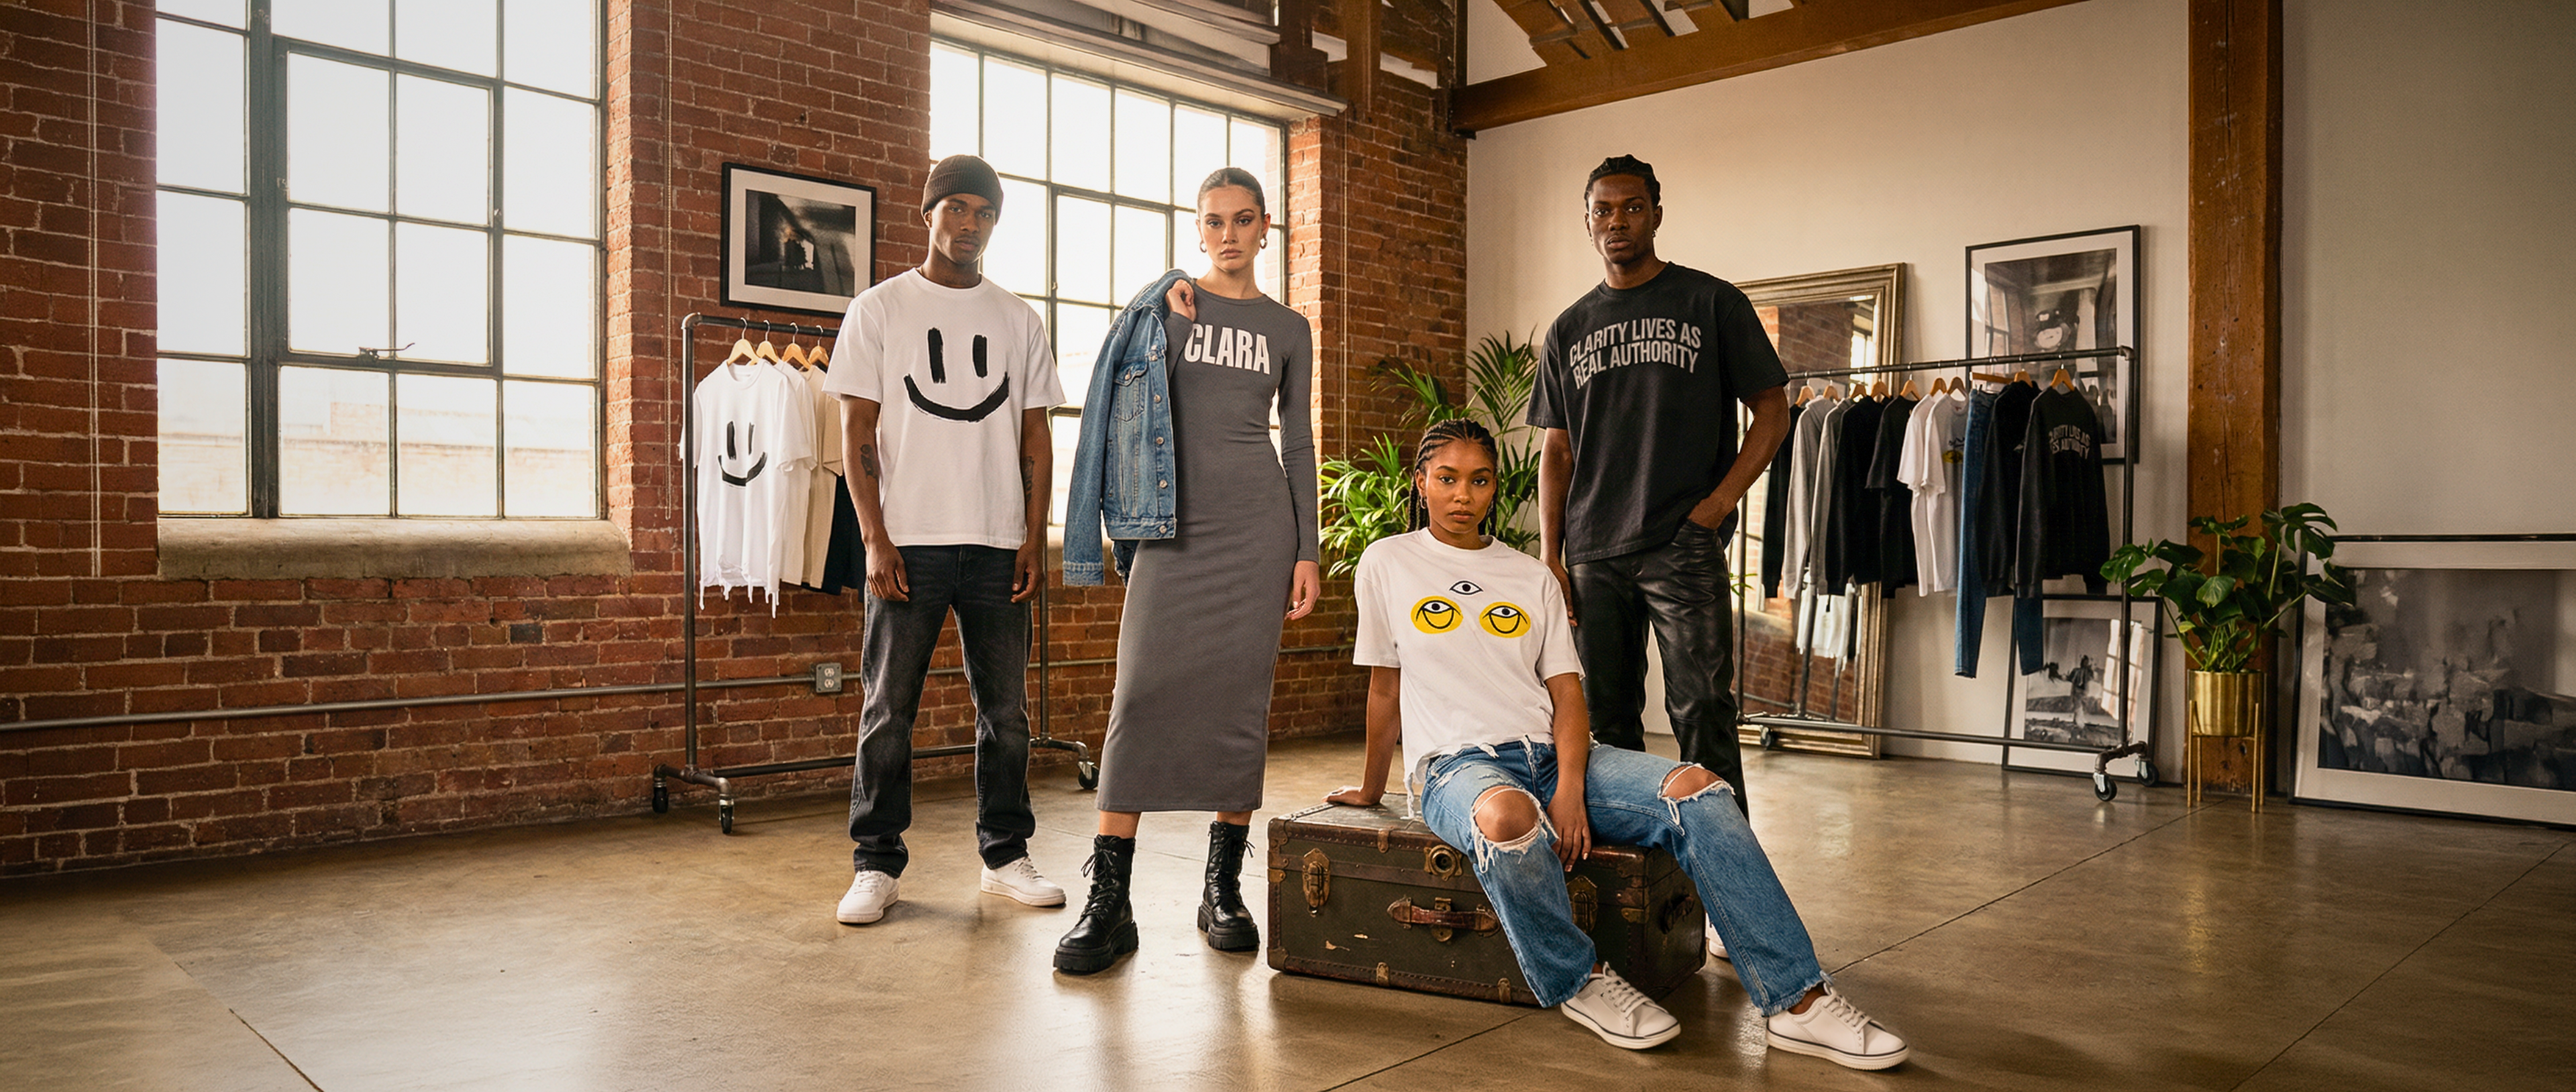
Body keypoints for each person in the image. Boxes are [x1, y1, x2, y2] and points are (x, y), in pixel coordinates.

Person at [1326, 420, 1909, 1070]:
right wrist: (1375, 786)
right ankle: (1579, 979)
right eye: (1447, 478)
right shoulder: (1388, 562)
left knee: (1700, 788)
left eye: (1480, 479)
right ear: (1421, 483)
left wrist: (1569, 786)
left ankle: (1797, 1000)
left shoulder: (1530, 576)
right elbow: (1384, 688)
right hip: (1458, 767)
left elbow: (1569, 696)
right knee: (1509, 817)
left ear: (1496, 487)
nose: (1464, 494)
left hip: (1550, 754)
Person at [1053, 167, 1322, 975]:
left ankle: (1223, 886)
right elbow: (1117, 380)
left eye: (1244, 220)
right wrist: (1166, 287)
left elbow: (1298, 441)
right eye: (1214, 221)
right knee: (1138, 697)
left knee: (1240, 702)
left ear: (1266, 227)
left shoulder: (1289, 327)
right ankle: (1110, 902)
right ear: (1196, 228)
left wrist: (1307, 547)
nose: (1230, 234)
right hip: (1169, 527)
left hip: (1257, 528)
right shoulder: (1169, 308)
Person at [826, 154, 1068, 925]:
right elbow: (854, 430)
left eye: (984, 213)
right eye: (956, 208)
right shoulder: (879, 309)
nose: (969, 225)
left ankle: (1005, 854)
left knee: (1008, 713)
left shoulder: (1018, 318)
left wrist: (1034, 539)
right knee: (887, 708)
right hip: (911, 541)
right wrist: (874, 537)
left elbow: (1037, 438)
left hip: (999, 543)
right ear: (927, 213)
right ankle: (876, 863)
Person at [1531, 155, 1793, 823]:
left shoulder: (1711, 302)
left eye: (1631, 207)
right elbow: (1556, 448)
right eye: (1603, 210)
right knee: (1608, 719)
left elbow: (1772, 408)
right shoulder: (1568, 328)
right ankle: (1634, 874)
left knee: (1703, 707)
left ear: (1656, 214)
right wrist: (1552, 556)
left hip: (1682, 540)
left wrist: (1717, 504)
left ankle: (1725, 870)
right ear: (1587, 222)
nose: (1616, 221)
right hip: (1593, 551)